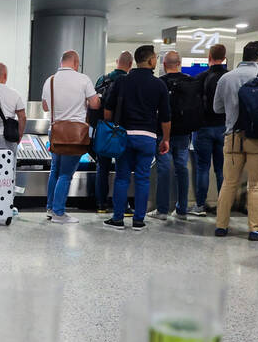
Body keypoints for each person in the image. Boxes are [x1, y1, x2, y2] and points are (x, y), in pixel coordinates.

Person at [212, 40, 258, 240]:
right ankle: (255, 229)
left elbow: (216, 108)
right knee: (256, 184)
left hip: (233, 137)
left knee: (229, 182)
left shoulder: (226, 78)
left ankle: (221, 226)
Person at [102, 45, 170, 232]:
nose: (156, 60)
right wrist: (165, 139)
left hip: (124, 135)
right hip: (147, 137)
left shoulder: (122, 82)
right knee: (143, 178)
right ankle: (138, 221)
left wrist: (111, 127)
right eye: (155, 57)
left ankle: (118, 218)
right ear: (150, 61)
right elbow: (165, 117)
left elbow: (108, 109)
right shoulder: (159, 85)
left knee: (122, 178)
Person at [41, 50, 99, 224]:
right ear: (76, 63)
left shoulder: (50, 80)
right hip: (74, 134)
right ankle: (59, 212)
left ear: (61, 63)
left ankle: (50, 208)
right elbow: (95, 103)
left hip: (55, 131)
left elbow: (45, 107)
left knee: (55, 171)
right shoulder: (83, 79)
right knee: (66, 174)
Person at [154, 50, 195, 220]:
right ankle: (182, 208)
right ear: (179, 63)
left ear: (164, 65)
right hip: (184, 132)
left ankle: (162, 210)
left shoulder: (159, 83)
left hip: (163, 134)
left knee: (163, 168)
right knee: (182, 168)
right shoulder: (190, 82)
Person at [191, 43, 228, 216]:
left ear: (209, 58)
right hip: (224, 128)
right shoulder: (229, 78)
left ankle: (200, 206)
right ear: (225, 57)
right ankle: (222, 205)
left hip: (203, 127)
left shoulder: (200, 78)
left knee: (203, 167)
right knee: (221, 169)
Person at [94, 51, 133, 214]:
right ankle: (122, 206)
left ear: (117, 61)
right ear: (131, 65)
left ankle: (101, 204)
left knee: (102, 167)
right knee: (122, 169)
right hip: (123, 130)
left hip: (104, 129)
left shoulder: (103, 79)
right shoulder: (130, 81)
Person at [0, 62, 27, 148]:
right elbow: (22, 117)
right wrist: (19, 135)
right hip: (7, 138)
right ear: (5, 76)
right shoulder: (14, 94)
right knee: (8, 161)